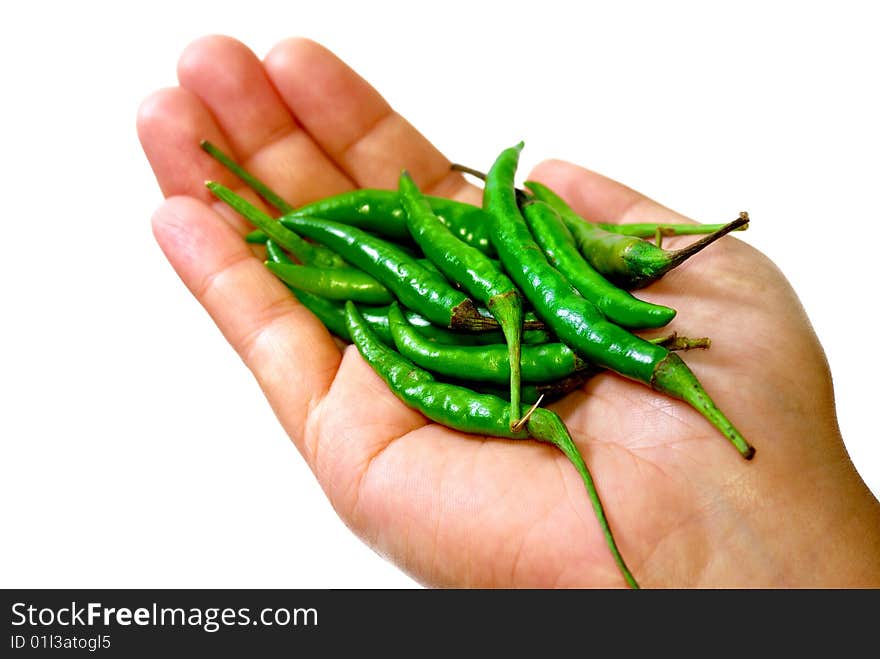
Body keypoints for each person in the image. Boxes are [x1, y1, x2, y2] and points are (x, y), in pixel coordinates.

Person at [137, 35, 880, 588]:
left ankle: (279, 230)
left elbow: (474, 301)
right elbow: (406, 303)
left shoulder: (528, 276)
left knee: (445, 301)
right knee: (386, 292)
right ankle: (272, 226)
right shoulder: (426, 289)